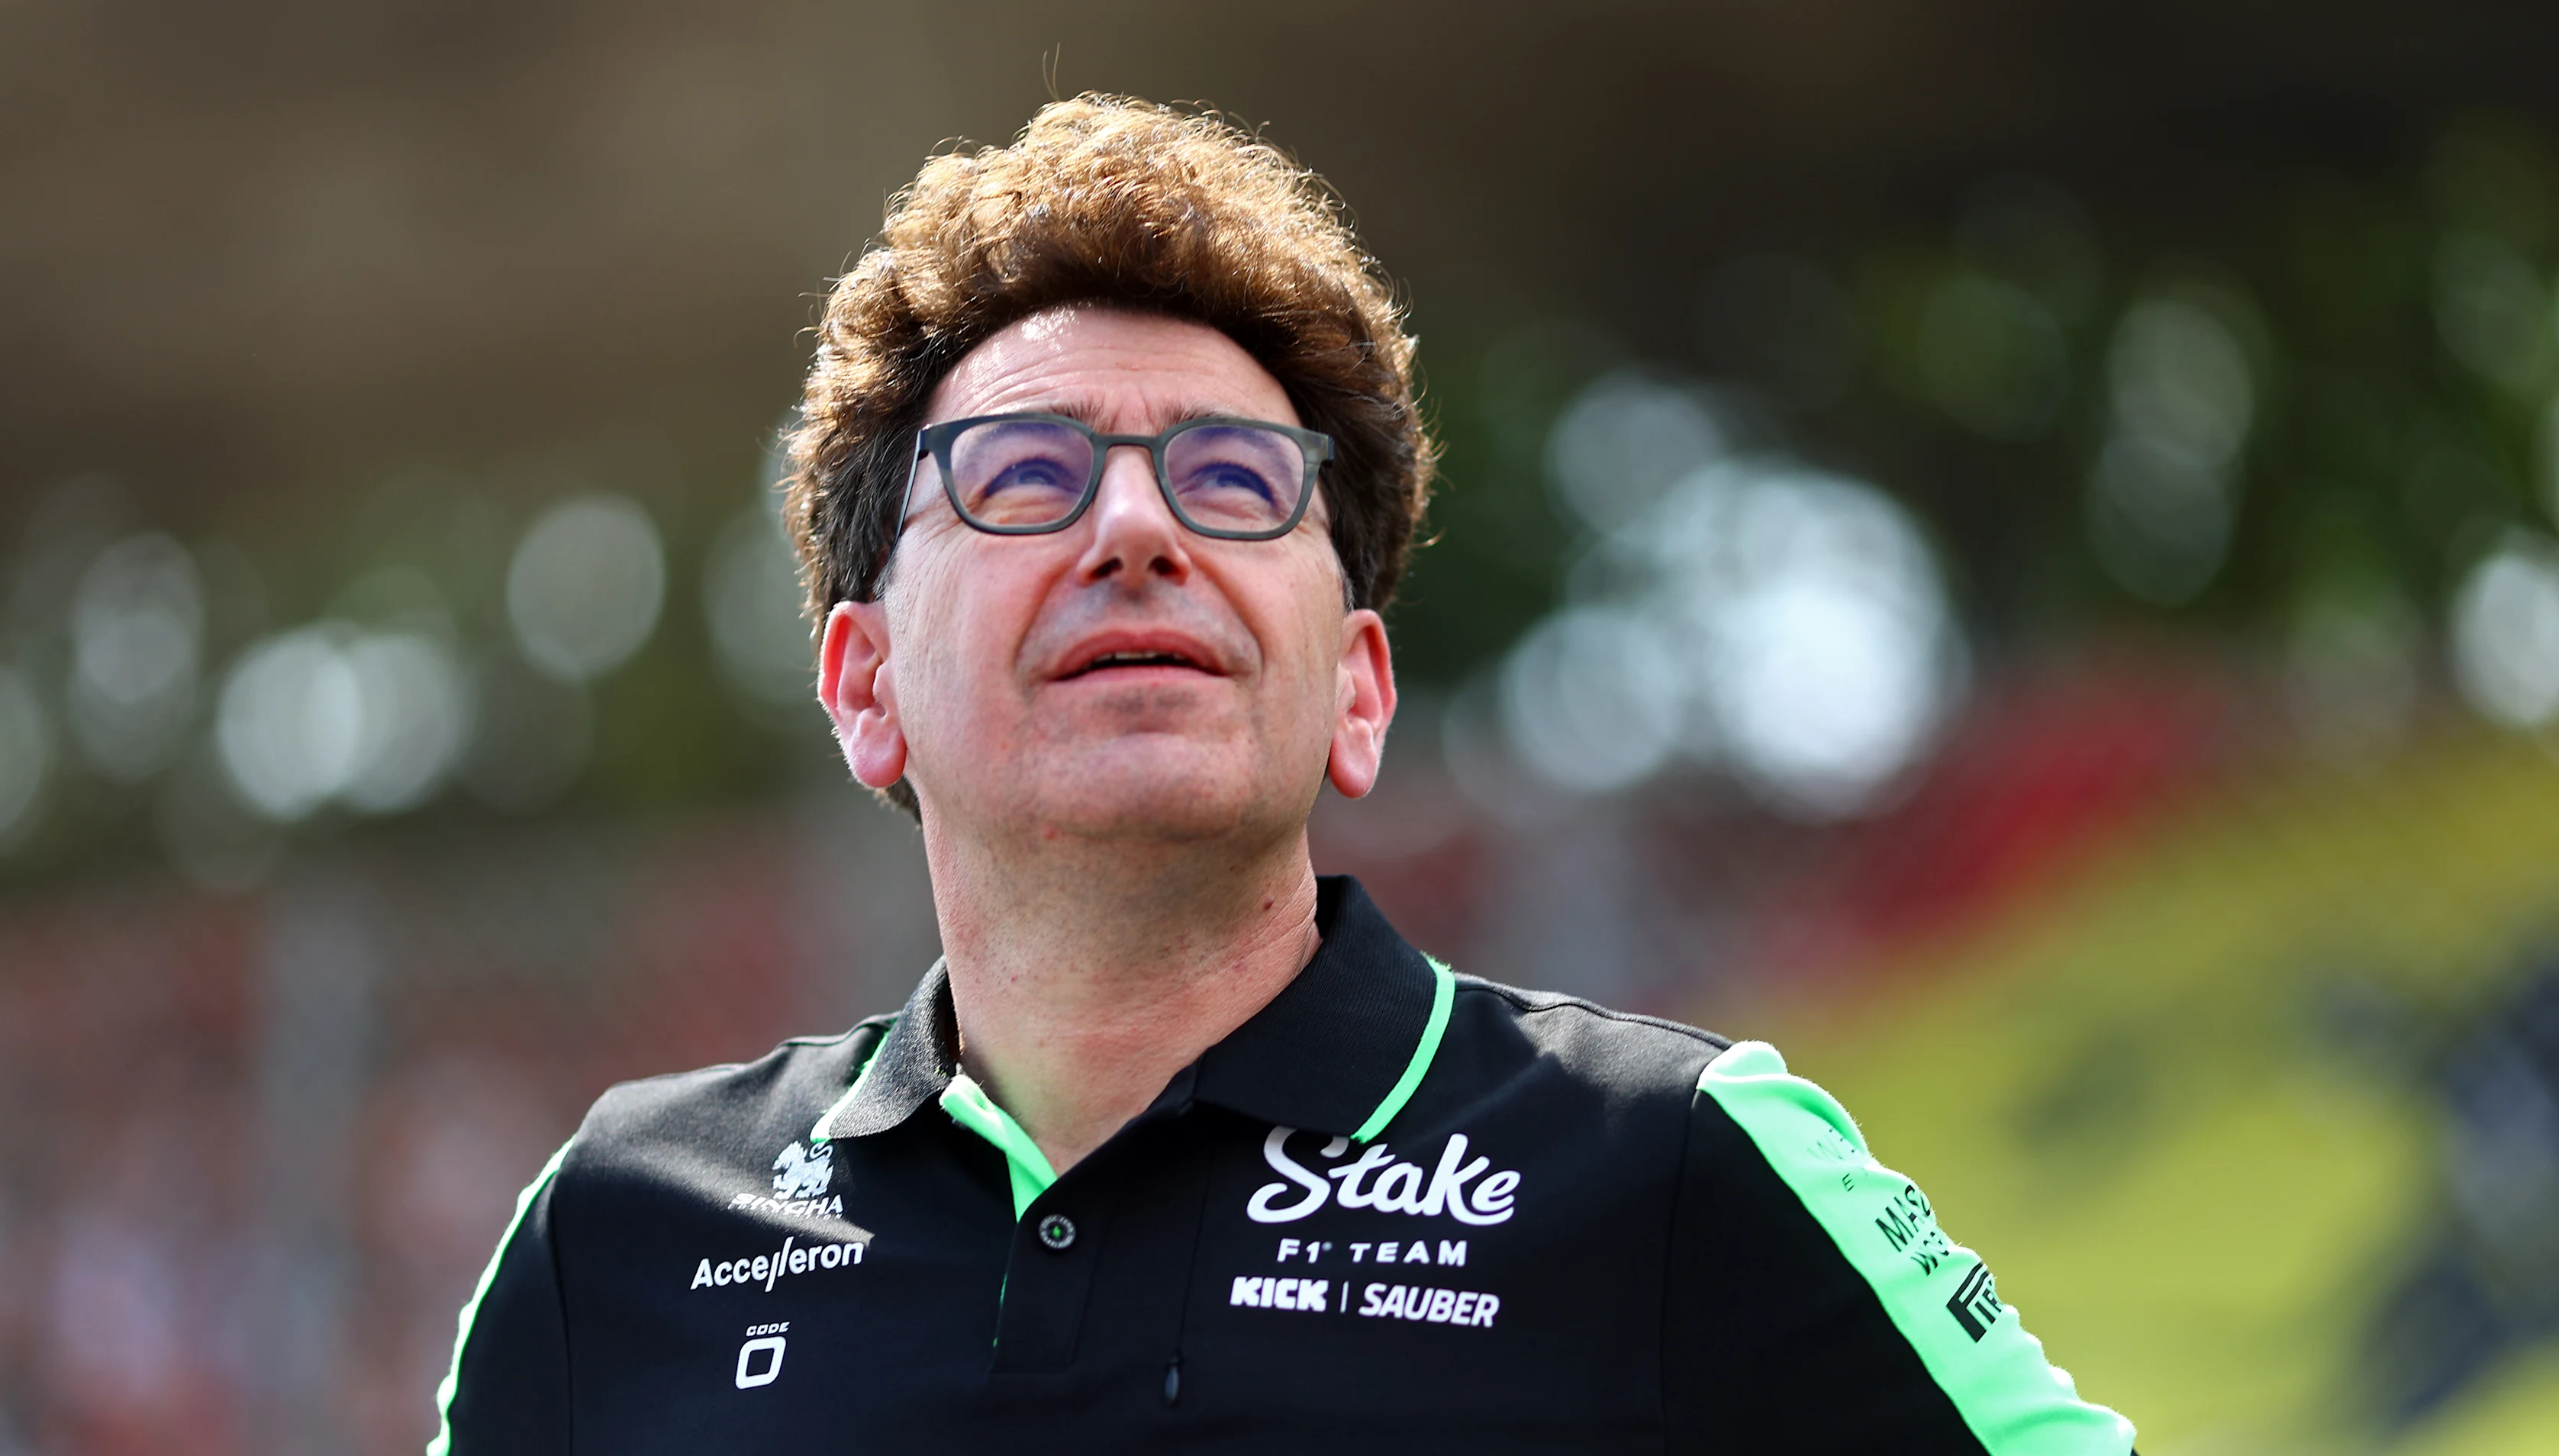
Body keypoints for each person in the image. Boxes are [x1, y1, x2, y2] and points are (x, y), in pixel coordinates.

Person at [430, 95, 2138, 1454]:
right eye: (1024, 473)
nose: (1136, 530)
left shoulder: (1687, 1164)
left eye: (1234, 479)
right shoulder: (617, 1240)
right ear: (866, 688)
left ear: (1358, 693)